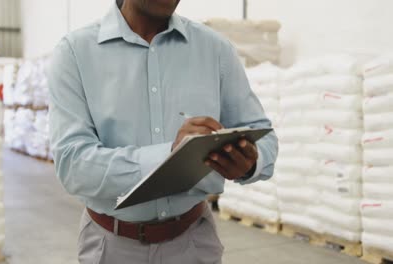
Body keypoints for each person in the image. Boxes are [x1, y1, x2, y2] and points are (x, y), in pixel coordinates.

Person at [48, 0, 278, 263]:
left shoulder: (215, 50)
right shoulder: (75, 53)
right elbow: (72, 164)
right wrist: (168, 155)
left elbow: (264, 136)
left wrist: (250, 162)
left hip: (194, 243)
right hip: (111, 247)